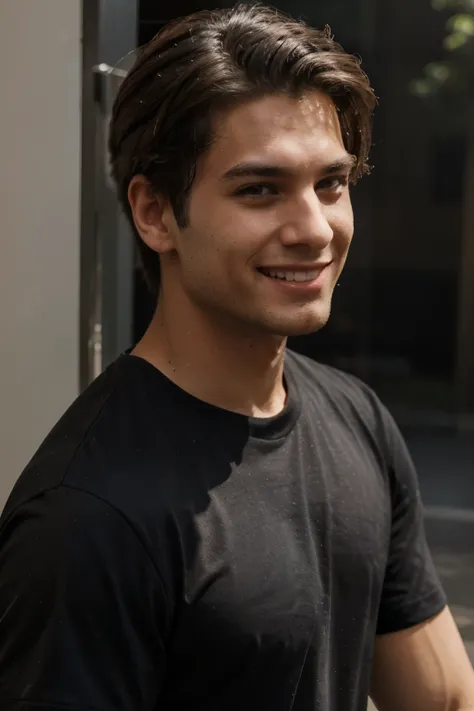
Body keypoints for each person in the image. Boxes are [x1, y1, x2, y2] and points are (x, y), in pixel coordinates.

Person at [1, 4, 473, 710]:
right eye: (260, 189)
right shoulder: (88, 519)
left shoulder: (358, 420)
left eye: (332, 184)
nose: (314, 228)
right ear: (155, 213)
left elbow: (440, 698)